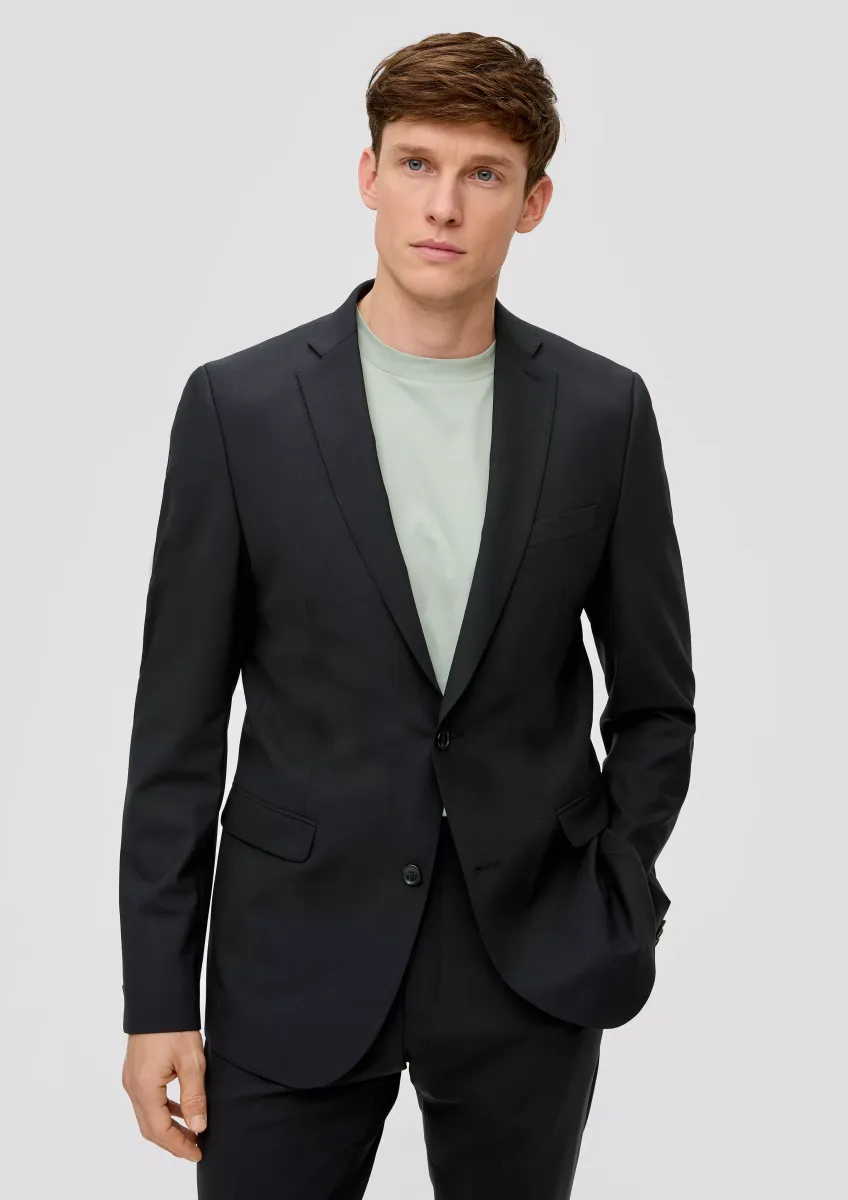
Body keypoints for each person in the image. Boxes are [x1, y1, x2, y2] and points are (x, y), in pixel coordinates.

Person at [119, 30, 696, 1200]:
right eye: (416, 163)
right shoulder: (240, 410)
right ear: (367, 175)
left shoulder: (600, 415)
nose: (443, 205)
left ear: (531, 202)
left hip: (526, 961)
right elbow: (176, 731)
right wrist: (156, 1000)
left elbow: (656, 704)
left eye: (483, 174)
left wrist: (611, 889)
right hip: (291, 961)